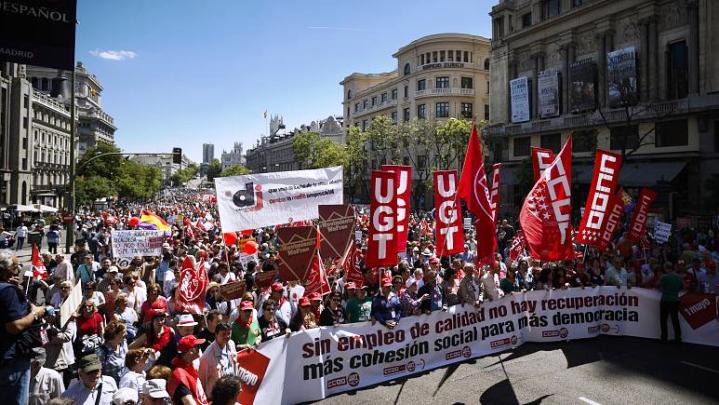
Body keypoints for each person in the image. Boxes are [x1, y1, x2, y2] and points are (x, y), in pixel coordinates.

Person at [0, 253, 47, 405]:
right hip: (12, 360)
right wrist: (35, 313)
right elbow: (15, 326)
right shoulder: (8, 291)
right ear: (7, 270)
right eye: (16, 267)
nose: (18, 271)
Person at [198, 322, 237, 400]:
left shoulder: (231, 344)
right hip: (215, 398)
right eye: (223, 334)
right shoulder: (207, 357)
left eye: (229, 333)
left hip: (230, 393)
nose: (227, 336)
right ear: (216, 334)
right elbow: (201, 382)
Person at [168, 335, 209, 405]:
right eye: (197, 346)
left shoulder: (190, 366)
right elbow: (189, 402)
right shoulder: (179, 374)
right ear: (190, 351)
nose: (199, 349)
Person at [657, 261, 684, 343]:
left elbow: (659, 286)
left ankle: (664, 337)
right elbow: (681, 287)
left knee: (663, 319)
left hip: (665, 299)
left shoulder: (664, 277)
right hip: (675, 299)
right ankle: (678, 337)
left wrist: (664, 290)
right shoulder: (679, 277)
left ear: (665, 268)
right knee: (675, 319)